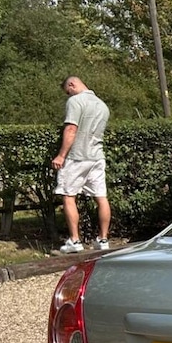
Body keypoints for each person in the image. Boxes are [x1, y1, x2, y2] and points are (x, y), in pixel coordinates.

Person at [51, 75, 112, 252]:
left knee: (69, 195)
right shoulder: (102, 105)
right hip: (97, 156)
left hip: (77, 157)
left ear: (72, 84)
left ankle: (75, 241)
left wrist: (61, 155)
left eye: (68, 91)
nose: (68, 95)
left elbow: (71, 129)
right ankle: (103, 239)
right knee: (101, 197)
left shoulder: (75, 102)